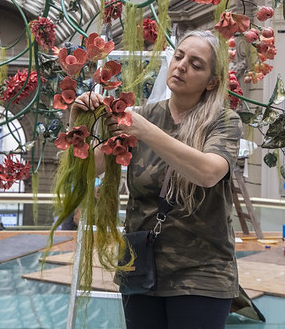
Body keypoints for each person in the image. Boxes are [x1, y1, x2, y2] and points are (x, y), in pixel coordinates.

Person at [71, 30, 242, 329]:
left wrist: (145, 131)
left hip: (201, 272)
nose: (181, 66)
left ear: (212, 81)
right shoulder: (141, 116)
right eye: (178, 57)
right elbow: (87, 168)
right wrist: (77, 124)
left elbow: (208, 172)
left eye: (196, 64)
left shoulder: (223, 121)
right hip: (140, 265)